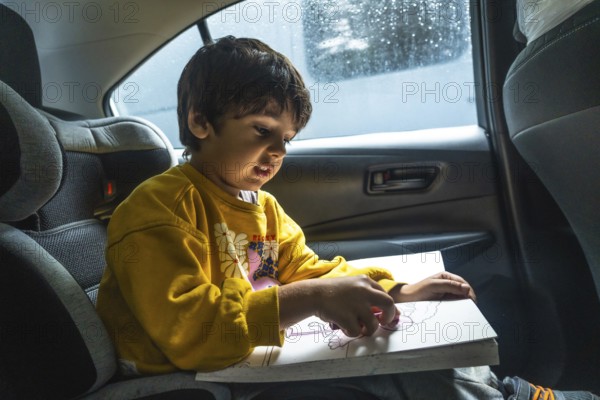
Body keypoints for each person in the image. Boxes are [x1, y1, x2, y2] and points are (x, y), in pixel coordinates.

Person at [96, 36, 599, 400]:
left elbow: (306, 271)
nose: (276, 153)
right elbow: (189, 333)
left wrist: (393, 291)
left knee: (406, 352)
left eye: (286, 141)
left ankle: (502, 391)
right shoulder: (160, 207)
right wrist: (312, 298)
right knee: (408, 379)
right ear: (200, 122)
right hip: (186, 371)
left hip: (246, 352)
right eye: (260, 130)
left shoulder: (262, 208)